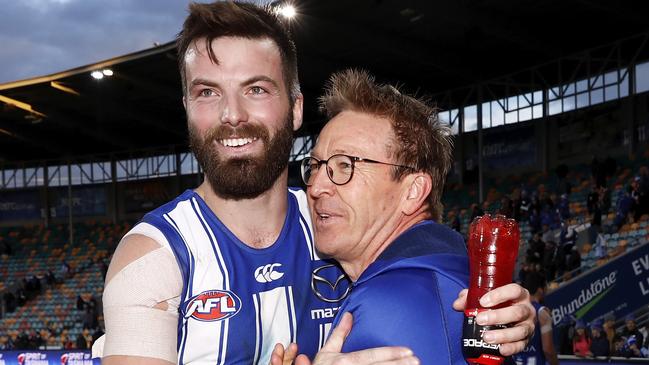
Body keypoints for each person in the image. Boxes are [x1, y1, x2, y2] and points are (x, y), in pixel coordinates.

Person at [100, 3, 535, 365]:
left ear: (294, 108)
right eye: (208, 92)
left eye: (255, 89)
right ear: (187, 108)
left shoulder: (335, 224)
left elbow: (430, 267)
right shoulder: (152, 258)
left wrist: (508, 317)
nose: (231, 114)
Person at [274, 69, 534, 364]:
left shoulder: (383, 305)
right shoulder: (454, 274)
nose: (317, 186)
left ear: (412, 191)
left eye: (345, 166)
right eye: (316, 166)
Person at [513, 279, 558, 365]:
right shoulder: (542, 312)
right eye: (545, 288)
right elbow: (548, 350)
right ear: (540, 290)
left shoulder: (516, 310)